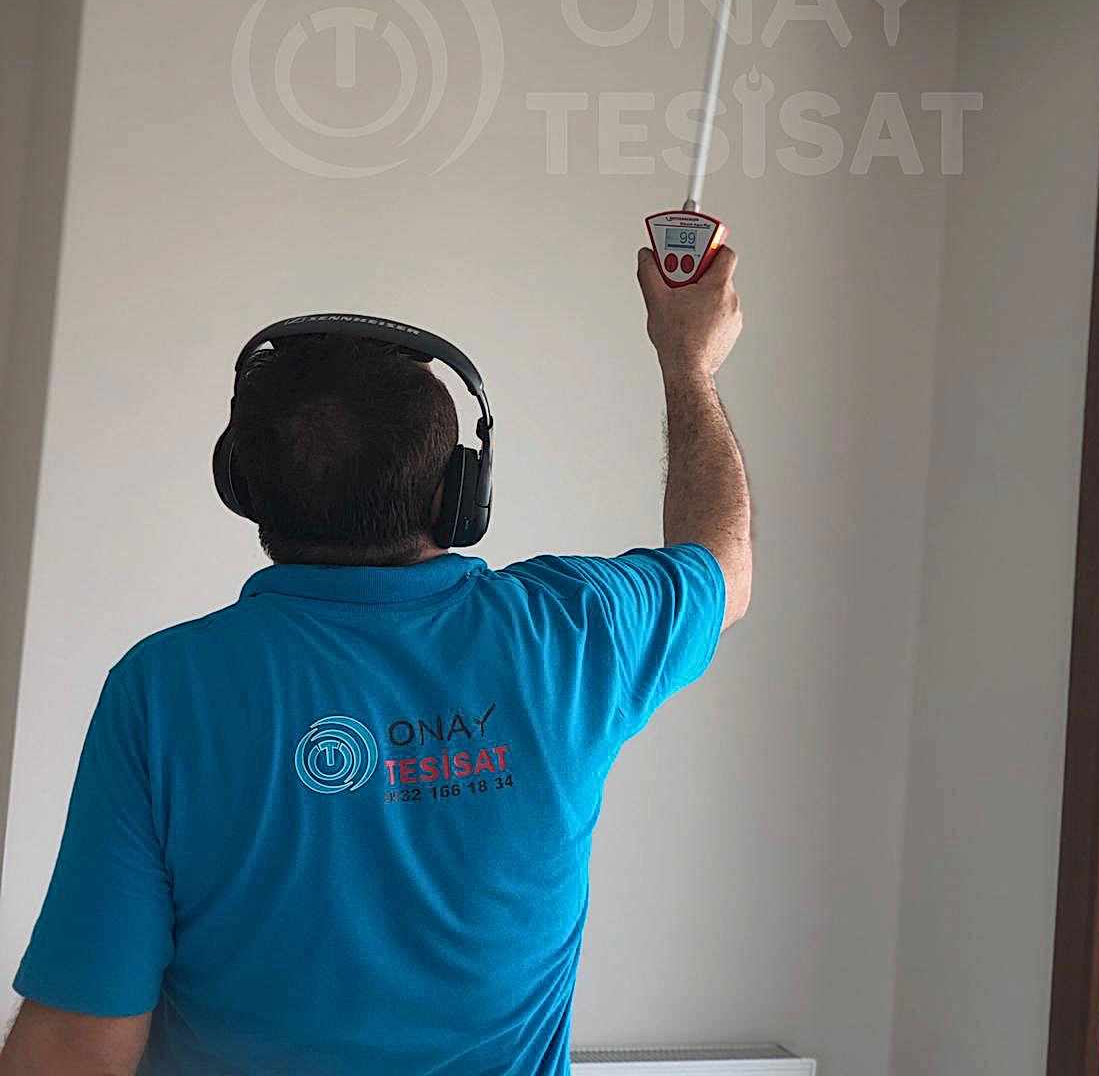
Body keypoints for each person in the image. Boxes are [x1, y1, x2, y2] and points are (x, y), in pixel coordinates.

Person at [1, 245, 751, 1076]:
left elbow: (76, 1047)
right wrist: (688, 364)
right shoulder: (574, 630)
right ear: (459, 492)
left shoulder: (163, 691)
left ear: (242, 485)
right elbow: (722, 565)